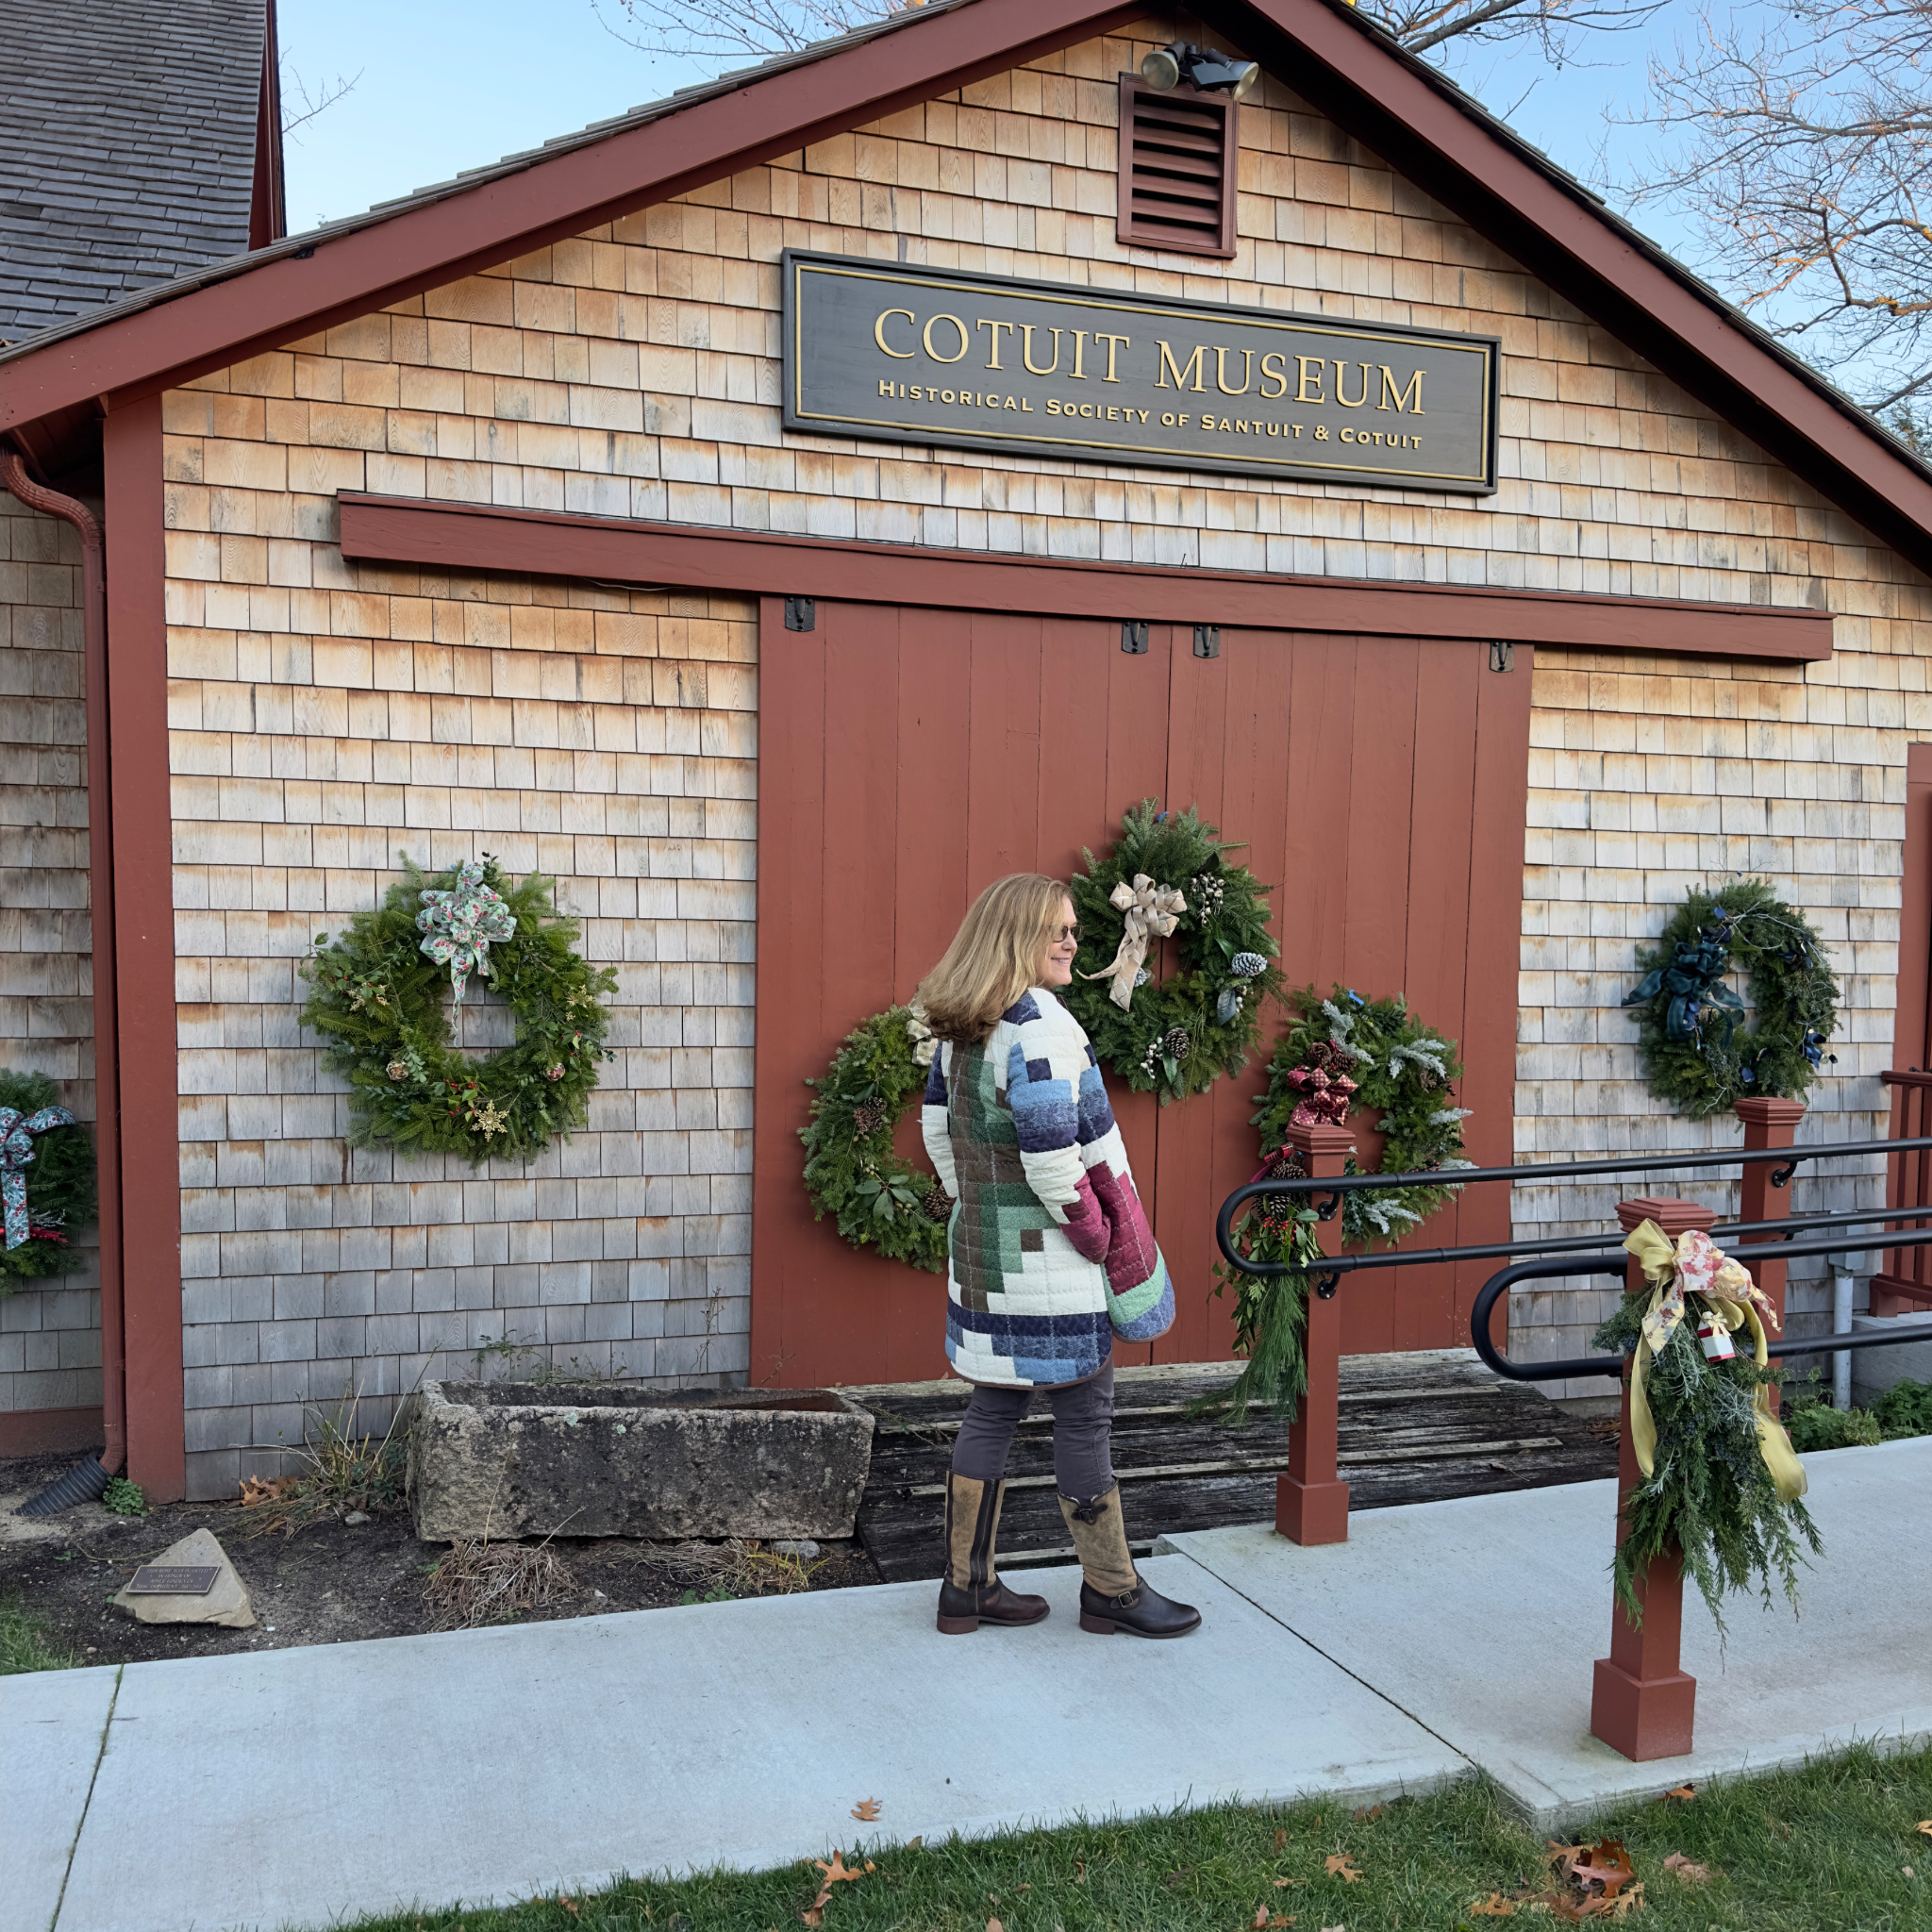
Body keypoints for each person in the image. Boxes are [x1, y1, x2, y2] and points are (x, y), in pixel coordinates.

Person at [916, 872, 1201, 1640]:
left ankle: (965, 1589)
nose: (1073, 942)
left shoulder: (964, 1026)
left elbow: (938, 1134)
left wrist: (979, 1198)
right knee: (1085, 1415)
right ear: (1015, 937)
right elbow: (1050, 1158)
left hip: (985, 1258)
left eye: (1076, 928)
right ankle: (1111, 1591)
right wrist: (1098, 1238)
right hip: (1049, 1261)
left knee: (994, 1406)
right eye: (1057, 930)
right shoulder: (1038, 1024)